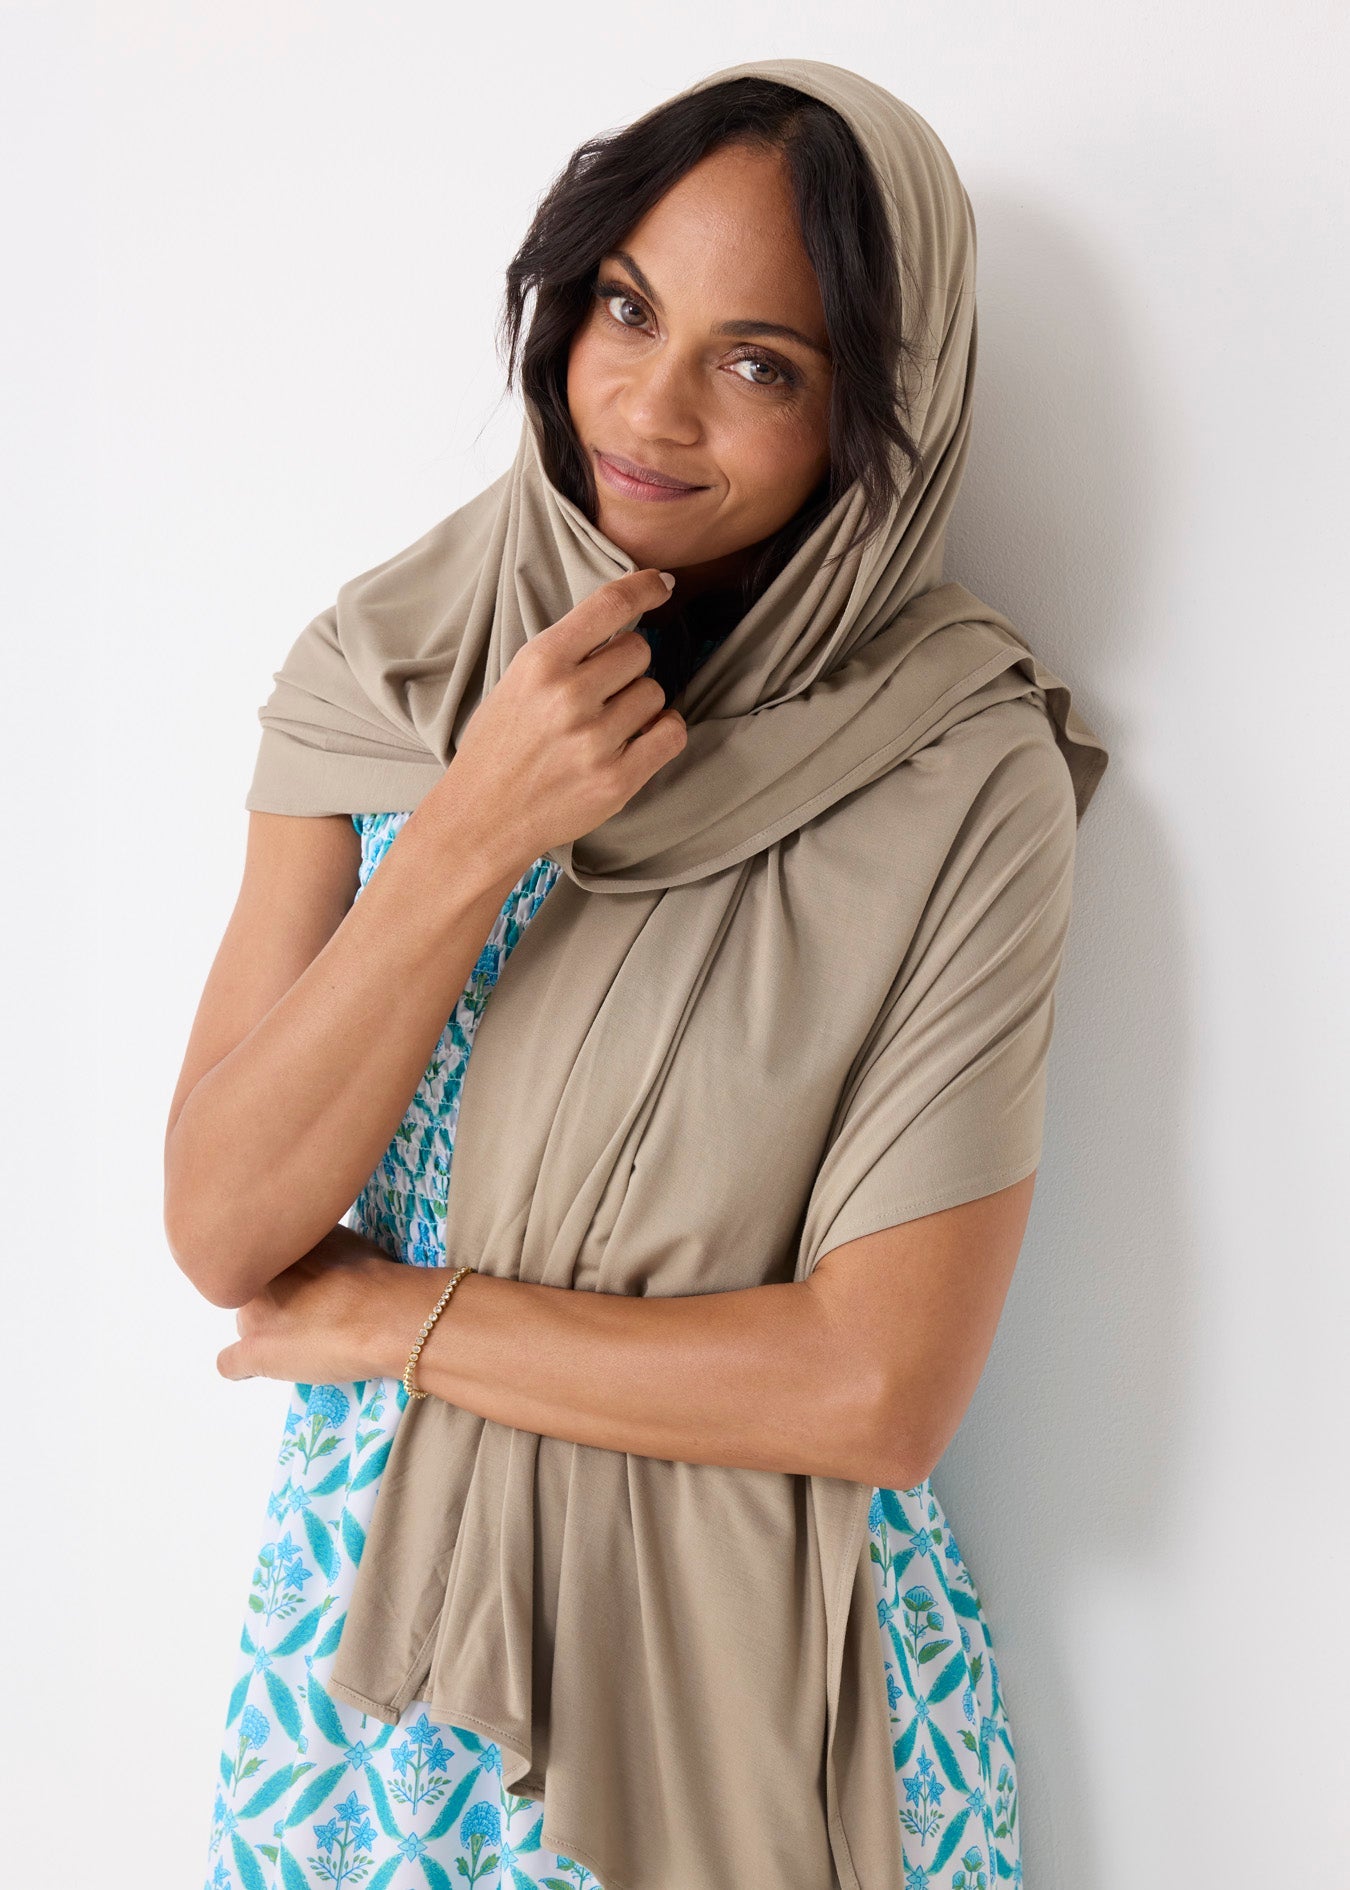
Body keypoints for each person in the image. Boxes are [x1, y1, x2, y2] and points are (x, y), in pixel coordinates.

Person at [167, 59, 1106, 1890]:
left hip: (762, 1690)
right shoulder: (388, 668)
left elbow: (871, 1388)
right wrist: (468, 832)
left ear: (869, 418)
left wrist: (394, 1322)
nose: (650, 406)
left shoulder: (955, 767)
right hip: (372, 1689)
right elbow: (224, 1221)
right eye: (625, 306)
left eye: (762, 364)